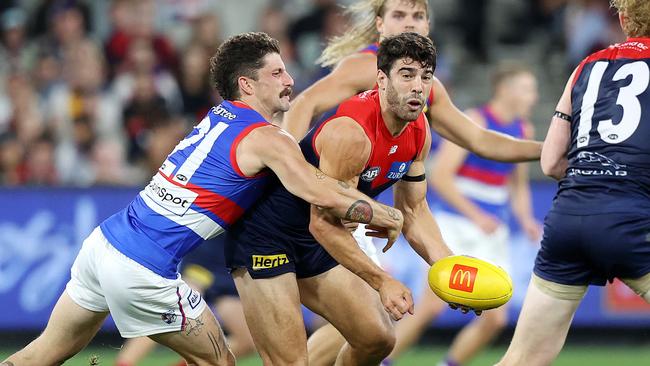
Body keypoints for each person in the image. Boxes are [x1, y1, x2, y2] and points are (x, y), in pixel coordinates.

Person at [1, 32, 403, 366]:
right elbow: (317, 191)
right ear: (247, 84)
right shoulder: (266, 138)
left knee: (41, 355)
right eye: (277, 72)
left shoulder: (219, 116)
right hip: (143, 270)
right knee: (221, 362)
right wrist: (381, 211)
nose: (289, 80)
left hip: (102, 246)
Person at [283, 1, 542, 364]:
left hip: (344, 210)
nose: (410, 23)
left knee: (368, 330)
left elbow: (478, 143)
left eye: (418, 16)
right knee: (361, 325)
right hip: (306, 212)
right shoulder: (364, 73)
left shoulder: (421, 100)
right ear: (379, 25)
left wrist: (551, 151)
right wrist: (287, 170)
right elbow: (303, 104)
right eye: (399, 15)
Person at [225, 32, 453, 366]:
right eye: (407, 75)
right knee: (291, 362)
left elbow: (415, 210)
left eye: (426, 76)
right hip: (266, 237)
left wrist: (450, 270)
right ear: (381, 80)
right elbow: (325, 223)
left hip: (317, 235)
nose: (418, 86)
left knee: (377, 338)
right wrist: (383, 281)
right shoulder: (352, 132)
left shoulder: (419, 129)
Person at [497, 2, 650, 365]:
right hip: (631, 221)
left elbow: (550, 162)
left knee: (522, 358)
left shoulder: (586, 65)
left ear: (624, 18)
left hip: (569, 219)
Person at [429, 62, 541, 366]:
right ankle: (384, 360)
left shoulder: (524, 130)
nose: (533, 96)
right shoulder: (475, 120)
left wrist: (526, 219)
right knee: (430, 305)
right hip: (456, 222)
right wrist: (476, 216)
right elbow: (440, 177)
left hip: (492, 229)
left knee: (495, 317)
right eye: (527, 89)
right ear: (504, 90)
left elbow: (517, 187)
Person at [115, 236, 256, 366]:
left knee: (248, 341)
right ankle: (124, 364)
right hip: (203, 260)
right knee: (171, 313)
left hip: (231, 265)